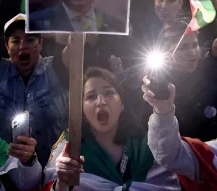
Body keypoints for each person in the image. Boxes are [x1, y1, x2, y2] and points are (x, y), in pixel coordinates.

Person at [47, 68, 180, 190]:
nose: (101, 102)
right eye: (91, 96)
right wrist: (61, 183)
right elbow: (49, 185)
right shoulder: (69, 145)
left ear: (122, 104)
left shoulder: (149, 143)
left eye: (109, 93)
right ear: (82, 110)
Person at [0, 14, 69, 164]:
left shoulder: (57, 69)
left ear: (41, 44)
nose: (23, 46)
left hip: (51, 169)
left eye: (30, 40)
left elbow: (76, 45)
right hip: (0, 170)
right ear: (7, 47)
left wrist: (56, 34)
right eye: (16, 41)